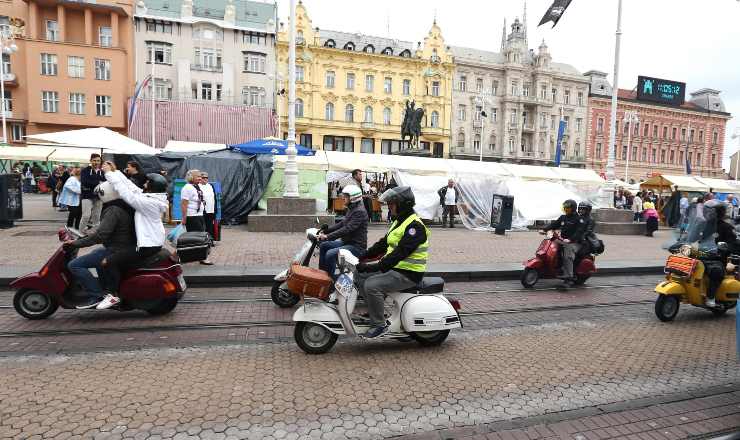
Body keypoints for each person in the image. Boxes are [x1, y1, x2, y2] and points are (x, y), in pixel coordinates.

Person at [355, 186, 429, 338]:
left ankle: (379, 325)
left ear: (403, 205)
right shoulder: (399, 222)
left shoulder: (415, 227)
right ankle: (376, 312)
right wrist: (361, 256)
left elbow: (399, 253)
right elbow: (383, 244)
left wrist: (374, 267)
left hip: (408, 273)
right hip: (396, 268)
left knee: (372, 284)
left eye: (392, 204)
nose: (389, 206)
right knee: (359, 275)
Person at [97, 162, 170, 309]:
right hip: (150, 243)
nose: (144, 183)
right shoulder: (153, 198)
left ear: (152, 187)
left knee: (106, 262)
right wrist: (115, 171)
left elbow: (126, 193)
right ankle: (125, 296)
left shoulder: (148, 202)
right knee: (122, 263)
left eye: (148, 182)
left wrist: (108, 174)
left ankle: (113, 296)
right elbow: (132, 188)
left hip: (147, 246)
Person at [64, 182, 136, 309]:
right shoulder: (120, 206)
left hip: (116, 249)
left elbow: (101, 235)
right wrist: (87, 234)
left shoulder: (113, 210)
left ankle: (96, 296)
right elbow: (103, 229)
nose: (98, 198)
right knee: (95, 253)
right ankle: (105, 288)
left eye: (99, 195)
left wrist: (76, 243)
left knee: (74, 265)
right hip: (121, 247)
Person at [318, 185, 368, 280]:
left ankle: (329, 280)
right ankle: (322, 276)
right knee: (324, 246)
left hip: (356, 246)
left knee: (330, 254)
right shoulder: (352, 208)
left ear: (353, 198)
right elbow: (342, 224)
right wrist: (326, 230)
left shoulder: (359, 211)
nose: (343, 198)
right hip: (347, 242)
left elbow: (347, 229)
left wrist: (327, 236)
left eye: (346, 196)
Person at [539, 199, 586, 287]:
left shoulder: (579, 219)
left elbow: (579, 232)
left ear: (573, 209)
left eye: (567, 209)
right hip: (563, 240)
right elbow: (554, 225)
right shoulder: (563, 217)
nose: (565, 210)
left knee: (568, 253)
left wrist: (571, 239)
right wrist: (544, 229)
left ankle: (569, 277)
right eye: (565, 208)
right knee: (551, 244)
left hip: (575, 243)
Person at [180, 169, 213, 265]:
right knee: (198, 238)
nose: (200, 178)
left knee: (197, 237)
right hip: (192, 216)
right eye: (198, 176)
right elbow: (184, 204)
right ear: (191, 177)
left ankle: (178, 257)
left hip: (199, 215)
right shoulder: (187, 188)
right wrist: (184, 218)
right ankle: (203, 258)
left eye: (200, 176)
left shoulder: (196, 186)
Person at [81, 153, 106, 230]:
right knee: (86, 215)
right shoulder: (85, 170)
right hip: (87, 196)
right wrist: (98, 182)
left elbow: (105, 183)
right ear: (91, 161)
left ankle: (96, 234)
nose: (96, 162)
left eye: (98, 161)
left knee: (97, 217)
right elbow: (85, 182)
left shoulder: (103, 172)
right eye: (94, 160)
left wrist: (93, 181)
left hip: (99, 197)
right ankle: (80, 232)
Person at [199, 172, 217, 242]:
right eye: (203, 178)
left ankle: (210, 240)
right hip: (202, 210)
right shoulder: (198, 186)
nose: (205, 179)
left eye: (206, 178)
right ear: (200, 178)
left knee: (210, 226)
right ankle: (202, 241)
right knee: (202, 226)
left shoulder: (211, 186)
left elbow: (214, 198)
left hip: (211, 210)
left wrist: (215, 210)